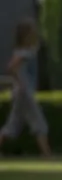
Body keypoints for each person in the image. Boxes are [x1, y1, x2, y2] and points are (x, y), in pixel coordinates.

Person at [0, 20, 51, 157]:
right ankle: (46, 154)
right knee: (39, 123)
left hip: (22, 92)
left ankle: (46, 153)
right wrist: (20, 82)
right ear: (26, 35)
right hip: (24, 92)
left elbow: (38, 45)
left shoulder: (28, 50)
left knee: (12, 126)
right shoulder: (23, 52)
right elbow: (11, 67)